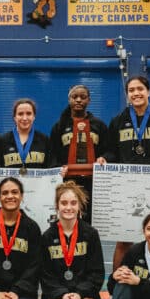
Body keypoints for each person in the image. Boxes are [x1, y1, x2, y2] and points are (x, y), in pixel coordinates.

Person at [97, 76, 150, 269]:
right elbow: (111, 150)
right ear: (127, 95)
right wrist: (105, 159)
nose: (136, 93)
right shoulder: (118, 121)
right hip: (127, 187)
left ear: (148, 92)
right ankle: (116, 287)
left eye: (140, 89)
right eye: (132, 90)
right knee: (124, 240)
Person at [41, 181, 104, 299]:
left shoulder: (90, 234)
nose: (68, 207)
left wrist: (79, 294)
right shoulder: (47, 236)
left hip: (84, 293)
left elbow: (97, 273)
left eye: (73, 203)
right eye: (64, 203)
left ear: (79, 206)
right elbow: (45, 275)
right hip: (57, 294)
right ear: (57, 206)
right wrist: (62, 295)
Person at [50, 84, 108, 223]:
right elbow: (52, 153)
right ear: (69, 99)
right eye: (74, 97)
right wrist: (58, 167)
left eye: (83, 97)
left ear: (89, 100)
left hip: (93, 182)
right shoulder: (59, 126)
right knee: (68, 218)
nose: (78, 100)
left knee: (89, 221)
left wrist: (104, 158)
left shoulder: (99, 125)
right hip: (67, 182)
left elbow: (109, 149)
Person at [0, 98, 52, 172]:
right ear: (15, 117)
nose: (25, 118)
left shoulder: (45, 140)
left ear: (34, 116)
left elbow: (51, 167)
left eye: (28, 113)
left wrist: (60, 171)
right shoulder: (2, 141)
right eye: (20, 114)